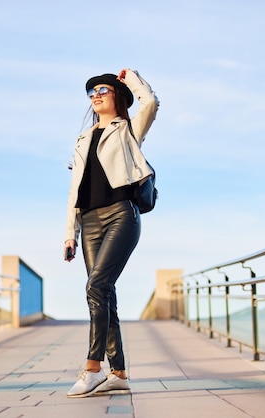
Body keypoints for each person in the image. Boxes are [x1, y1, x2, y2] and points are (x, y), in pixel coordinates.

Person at [63, 68, 159, 397]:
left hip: (121, 215)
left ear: (117, 95)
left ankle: (92, 368)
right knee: (103, 294)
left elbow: (150, 102)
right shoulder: (82, 140)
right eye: (92, 93)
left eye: (103, 89)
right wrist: (69, 233)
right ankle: (118, 372)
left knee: (96, 286)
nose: (96, 95)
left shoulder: (128, 130)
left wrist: (131, 77)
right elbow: (75, 190)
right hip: (88, 222)